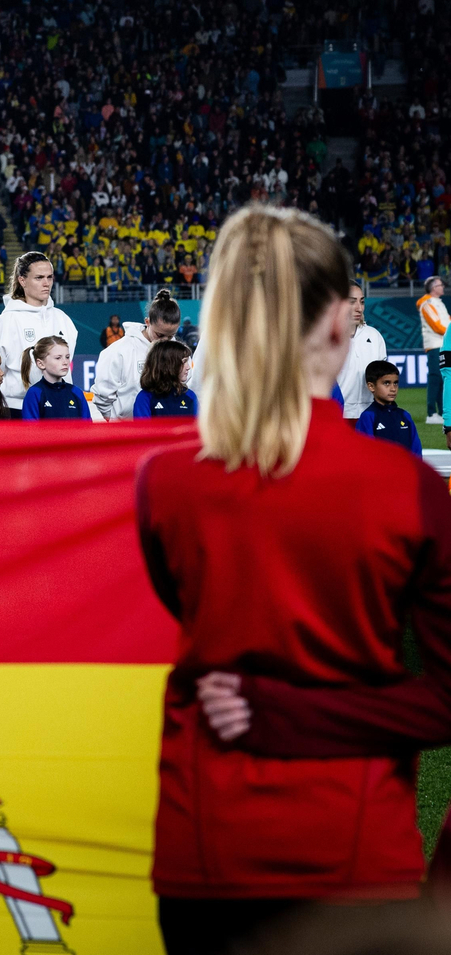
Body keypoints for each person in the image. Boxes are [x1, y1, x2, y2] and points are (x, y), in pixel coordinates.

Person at [134, 205, 451, 954]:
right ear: (341, 324)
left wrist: (280, 712)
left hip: (204, 851)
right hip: (352, 853)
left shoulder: (166, 482)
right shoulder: (404, 488)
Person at [0, 252, 77, 416]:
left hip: (60, 405)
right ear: (22, 280)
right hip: (16, 408)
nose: (46, 283)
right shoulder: (4, 322)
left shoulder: (63, 320)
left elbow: (65, 365)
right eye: (39, 278)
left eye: (49, 277)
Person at [91, 290, 182, 420]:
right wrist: (117, 423)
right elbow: (102, 397)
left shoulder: (179, 353)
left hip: (167, 432)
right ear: (148, 322)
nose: (165, 342)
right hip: (126, 433)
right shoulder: (119, 351)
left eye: (171, 336)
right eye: (160, 335)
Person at [335, 281, 387, 420]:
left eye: (362, 302)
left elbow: (382, 378)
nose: (359, 308)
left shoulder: (374, 336)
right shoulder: (327, 338)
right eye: (352, 302)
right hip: (339, 415)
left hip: (370, 415)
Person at [353, 360, 421, 454]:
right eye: (386, 383)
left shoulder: (405, 415)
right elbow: (365, 451)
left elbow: (416, 450)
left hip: (404, 468)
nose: (393, 389)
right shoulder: (368, 416)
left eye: (395, 383)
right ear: (371, 386)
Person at [19, 337, 90, 420]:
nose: (65, 362)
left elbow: (87, 428)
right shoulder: (35, 393)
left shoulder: (76, 392)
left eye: (67, 357)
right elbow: (30, 430)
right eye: (58, 358)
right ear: (41, 364)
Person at [132, 340, 198, 418]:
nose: (188, 367)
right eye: (184, 362)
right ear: (169, 365)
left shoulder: (190, 396)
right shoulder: (145, 398)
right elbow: (143, 429)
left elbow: (198, 427)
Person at [420, 276, 448, 424]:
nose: (443, 286)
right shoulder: (427, 304)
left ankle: (441, 412)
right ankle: (431, 414)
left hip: (442, 345)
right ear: (433, 288)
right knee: (435, 377)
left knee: (441, 378)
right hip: (435, 345)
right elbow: (437, 326)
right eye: (440, 284)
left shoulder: (438, 304)